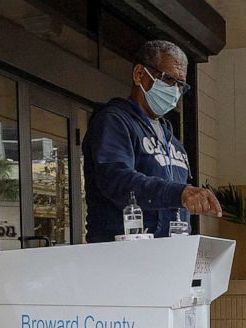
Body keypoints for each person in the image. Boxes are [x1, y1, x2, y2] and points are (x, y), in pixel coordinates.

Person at [82, 40, 221, 242]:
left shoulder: (172, 141)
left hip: (168, 254)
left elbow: (176, 200)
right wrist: (180, 193)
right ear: (140, 75)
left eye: (181, 85)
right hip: (122, 258)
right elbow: (116, 179)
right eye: (169, 80)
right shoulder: (114, 122)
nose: (175, 91)